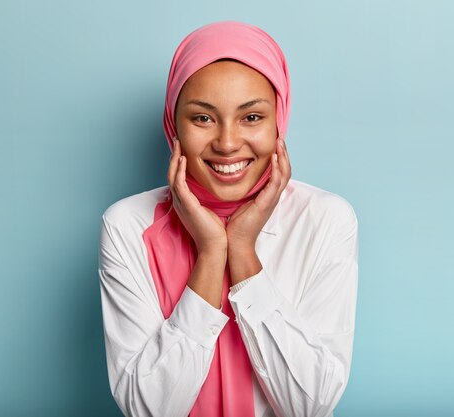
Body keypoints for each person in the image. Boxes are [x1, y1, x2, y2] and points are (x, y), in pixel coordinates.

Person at [99, 21, 358, 417]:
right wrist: (211, 252)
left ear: (279, 122)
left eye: (251, 117)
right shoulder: (128, 226)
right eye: (203, 118)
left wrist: (242, 252)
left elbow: (309, 405)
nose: (227, 142)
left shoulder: (324, 220)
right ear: (174, 126)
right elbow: (149, 410)